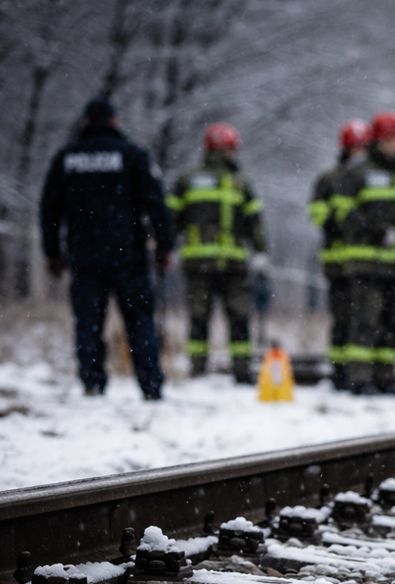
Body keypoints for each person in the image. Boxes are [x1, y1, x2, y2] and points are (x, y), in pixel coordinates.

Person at [39, 97, 174, 401]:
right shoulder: (133, 155)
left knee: (88, 322)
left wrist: (52, 252)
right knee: (140, 322)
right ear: (114, 120)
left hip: (84, 256)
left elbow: (49, 209)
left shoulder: (67, 158)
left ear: (85, 121)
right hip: (129, 256)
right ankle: (151, 386)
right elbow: (156, 204)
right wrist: (165, 247)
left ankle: (92, 383)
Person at [333, 111, 395, 394]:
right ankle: (360, 379)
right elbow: (342, 213)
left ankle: (385, 378)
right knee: (366, 321)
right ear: (377, 140)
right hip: (367, 264)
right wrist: (374, 230)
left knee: (393, 323)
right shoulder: (358, 174)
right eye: (390, 139)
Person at [169, 122, 266, 383]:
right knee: (239, 317)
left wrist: (166, 247)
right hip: (233, 262)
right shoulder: (239, 183)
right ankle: (242, 371)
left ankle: (198, 370)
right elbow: (254, 221)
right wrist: (259, 251)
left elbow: (170, 219)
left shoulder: (187, 180)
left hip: (198, 261)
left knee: (199, 317)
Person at [310, 118, 370, 390]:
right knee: (342, 318)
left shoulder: (368, 179)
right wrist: (340, 220)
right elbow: (318, 214)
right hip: (337, 262)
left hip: (365, 262)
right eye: (354, 146)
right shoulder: (329, 180)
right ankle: (339, 373)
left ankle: (358, 373)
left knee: (364, 318)